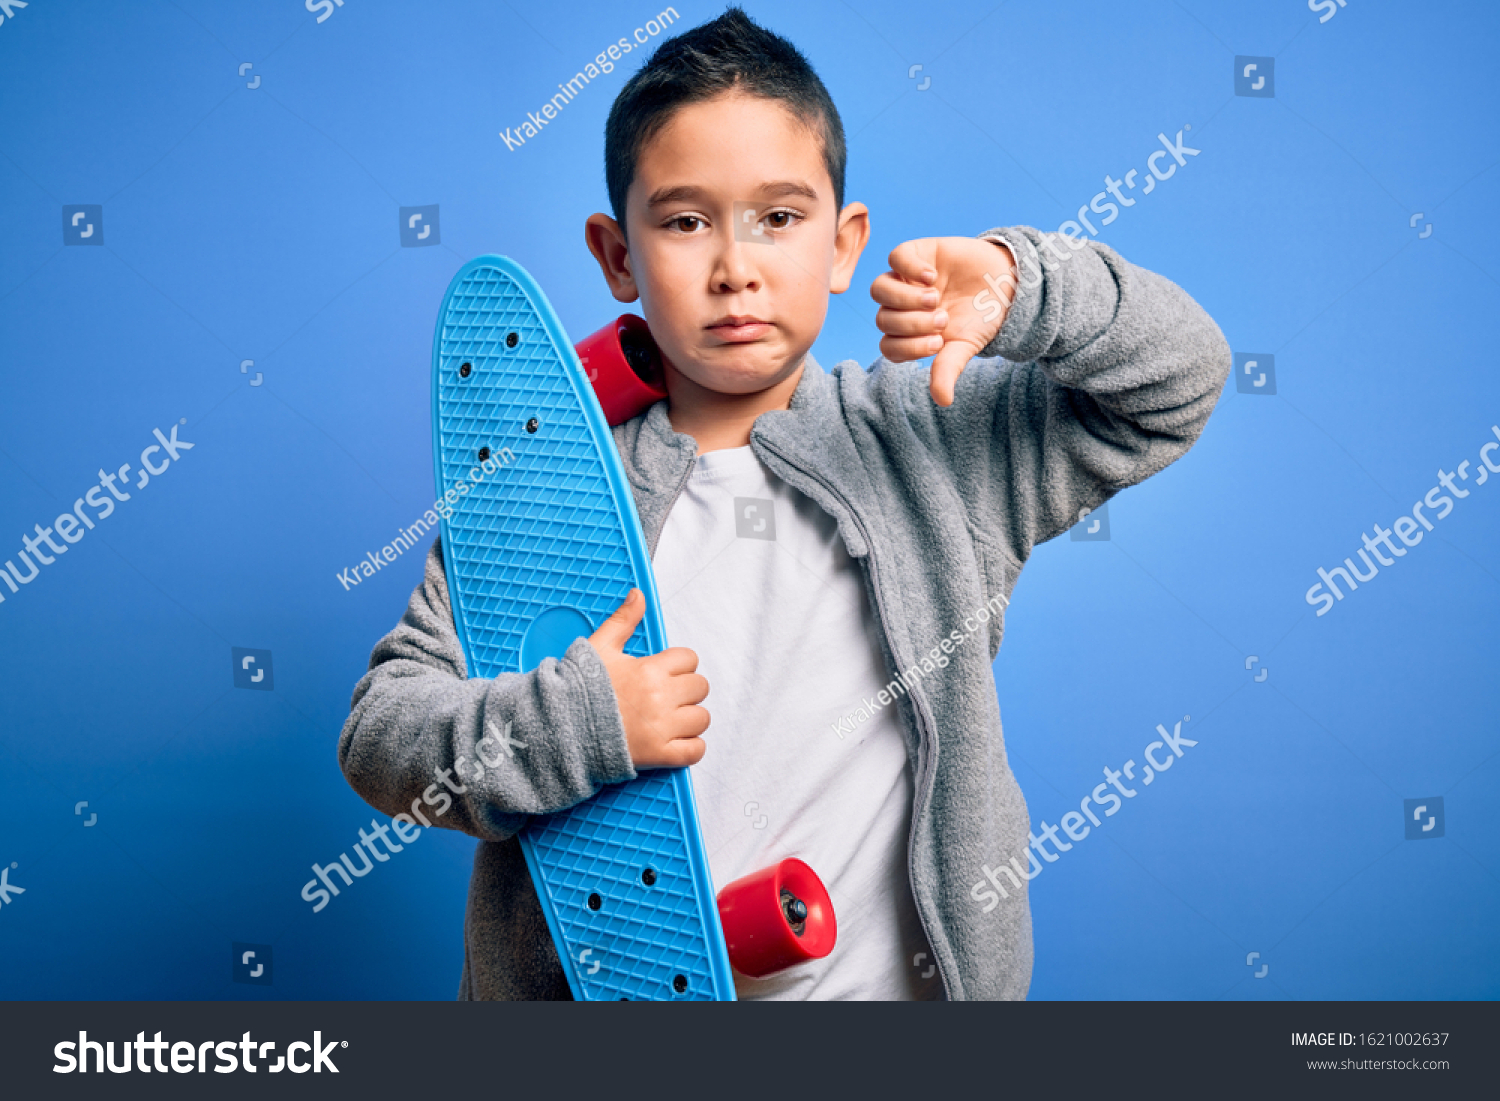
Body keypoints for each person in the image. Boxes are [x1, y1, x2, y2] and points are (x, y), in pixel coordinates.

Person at [337, 5, 1230, 1000]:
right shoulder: (538, 489)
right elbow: (383, 741)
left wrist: (1027, 288)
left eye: (780, 217)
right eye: (684, 222)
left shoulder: (932, 445)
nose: (736, 268)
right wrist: (577, 727)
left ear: (845, 245)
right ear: (617, 256)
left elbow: (1177, 381)